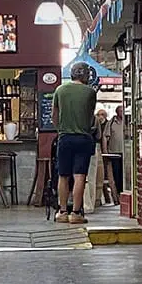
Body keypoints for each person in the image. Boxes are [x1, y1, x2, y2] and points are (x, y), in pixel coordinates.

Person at [53, 61, 98, 224]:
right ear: (85, 75)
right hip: (84, 138)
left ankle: (63, 211)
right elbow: (91, 117)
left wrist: (62, 130)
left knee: (63, 175)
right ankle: (76, 213)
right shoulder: (90, 92)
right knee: (79, 176)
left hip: (65, 137)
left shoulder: (60, 90)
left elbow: (54, 116)